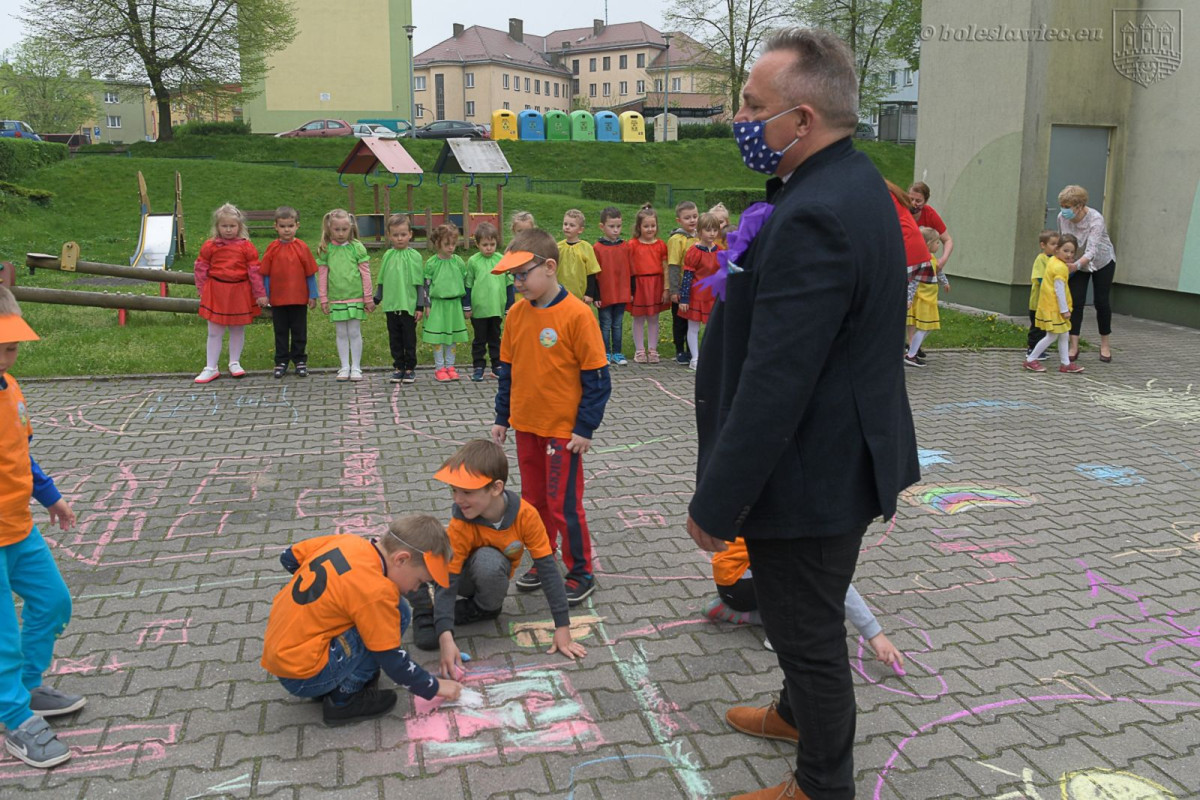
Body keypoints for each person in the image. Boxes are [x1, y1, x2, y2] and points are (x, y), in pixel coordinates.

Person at [687, 28, 919, 800]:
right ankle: (794, 715)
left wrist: (718, 500)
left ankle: (822, 784)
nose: (740, 117)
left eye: (753, 106)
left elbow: (778, 379)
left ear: (803, 120)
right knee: (804, 615)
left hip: (810, 474)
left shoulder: (819, 210)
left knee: (808, 633)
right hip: (831, 458)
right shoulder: (842, 183)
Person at [490, 228, 612, 606]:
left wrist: (584, 428)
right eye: (513, 276)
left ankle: (581, 572)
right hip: (527, 427)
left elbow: (597, 379)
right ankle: (544, 561)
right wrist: (502, 417)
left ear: (549, 266)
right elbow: (508, 370)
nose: (517, 282)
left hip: (563, 433)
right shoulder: (515, 314)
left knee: (563, 505)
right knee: (533, 502)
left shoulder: (578, 314)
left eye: (523, 274)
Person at [260, 515, 463, 727]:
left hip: (283, 655)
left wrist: (328, 596)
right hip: (304, 675)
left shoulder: (350, 542)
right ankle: (343, 700)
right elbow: (391, 659)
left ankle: (336, 675)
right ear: (401, 559)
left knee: (391, 611)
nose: (415, 589)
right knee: (395, 617)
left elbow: (289, 557)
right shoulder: (377, 591)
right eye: (420, 581)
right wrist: (434, 686)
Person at [0, 287, 83, 769]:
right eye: (3, 348)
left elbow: (19, 454)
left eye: (12, 348)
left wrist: (50, 497)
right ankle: (13, 717)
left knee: (53, 602)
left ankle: (25, 688)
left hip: (18, 529)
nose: (10, 357)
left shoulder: (10, 387)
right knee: (3, 635)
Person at [427, 440, 589, 674]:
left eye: (467, 492)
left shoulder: (526, 516)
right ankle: (427, 605)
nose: (457, 499)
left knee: (488, 561)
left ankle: (483, 608)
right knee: (430, 551)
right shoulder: (461, 522)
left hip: (489, 577)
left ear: (495, 488)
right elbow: (448, 577)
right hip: (461, 576)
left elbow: (547, 570)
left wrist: (562, 627)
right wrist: (446, 637)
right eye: (454, 490)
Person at [704, 538, 904, 671]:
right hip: (740, 582)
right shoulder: (800, 517)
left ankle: (733, 611)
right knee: (811, 595)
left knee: (805, 579)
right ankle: (779, 635)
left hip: (733, 581)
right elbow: (832, 580)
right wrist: (874, 634)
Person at [193, 203, 266, 384]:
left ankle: (234, 362)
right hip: (216, 291)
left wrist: (260, 294)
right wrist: (202, 289)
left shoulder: (246, 247)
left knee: (237, 328)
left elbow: (254, 271)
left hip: (239, 292)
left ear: (239, 227)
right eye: (224, 226)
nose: (228, 230)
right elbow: (201, 267)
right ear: (217, 226)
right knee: (214, 331)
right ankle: (211, 366)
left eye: (232, 226)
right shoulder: (210, 246)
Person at [1057, 184, 1117, 362]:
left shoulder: (1095, 219)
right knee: (1075, 301)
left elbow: (1091, 251)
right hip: (1076, 262)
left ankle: (1105, 344)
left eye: (1068, 207)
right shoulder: (1062, 217)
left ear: (1080, 206)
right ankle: (1074, 345)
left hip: (1101, 261)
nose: (1064, 210)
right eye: (1063, 206)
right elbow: (1063, 241)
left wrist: (1075, 265)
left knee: (1101, 301)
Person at [260, 206, 318, 379]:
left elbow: (310, 274)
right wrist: (266, 294)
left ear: (297, 226)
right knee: (281, 331)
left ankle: (300, 360)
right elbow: (266, 274)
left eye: (290, 226)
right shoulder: (272, 248)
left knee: (299, 331)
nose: (287, 229)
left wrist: (312, 295)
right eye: (283, 226)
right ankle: (281, 361)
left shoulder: (302, 247)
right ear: (275, 227)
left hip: (299, 299)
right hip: (278, 299)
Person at [317, 209, 374, 382]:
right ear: (329, 228)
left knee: (354, 332)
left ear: (350, 228)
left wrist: (368, 297)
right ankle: (344, 366)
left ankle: (356, 367)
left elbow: (366, 274)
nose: (341, 233)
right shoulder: (326, 249)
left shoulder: (357, 247)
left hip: (355, 297)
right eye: (337, 229)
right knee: (341, 332)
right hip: (336, 299)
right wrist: (324, 299)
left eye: (344, 229)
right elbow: (322, 276)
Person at [374, 214, 427, 384]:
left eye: (403, 234)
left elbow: (420, 284)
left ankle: (410, 368)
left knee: (409, 339)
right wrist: (376, 298)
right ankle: (398, 367)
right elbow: (382, 280)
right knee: (395, 338)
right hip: (391, 305)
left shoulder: (415, 257)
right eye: (395, 235)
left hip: (408, 306)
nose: (399, 238)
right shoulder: (388, 255)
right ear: (389, 236)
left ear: (410, 234)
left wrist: (420, 306)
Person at [1024, 234, 1084, 374]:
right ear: (1057, 250)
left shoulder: (1054, 262)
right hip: (1054, 308)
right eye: (1066, 250)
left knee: (1064, 334)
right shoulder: (1059, 268)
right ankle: (1031, 359)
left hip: (1052, 307)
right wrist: (1064, 310)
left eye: (1072, 252)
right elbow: (1059, 291)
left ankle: (1065, 363)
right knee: (1052, 336)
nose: (1069, 254)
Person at [422, 223, 471, 382]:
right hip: (438, 305)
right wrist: (427, 305)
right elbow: (426, 286)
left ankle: (450, 366)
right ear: (438, 244)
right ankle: (439, 368)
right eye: (447, 244)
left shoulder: (458, 262)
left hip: (454, 305)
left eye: (453, 244)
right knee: (438, 339)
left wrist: (465, 305)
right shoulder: (432, 263)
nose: (451, 248)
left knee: (452, 338)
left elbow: (465, 283)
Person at [464, 222, 510, 381]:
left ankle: (497, 365)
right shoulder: (473, 261)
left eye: (492, 244)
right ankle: (478, 366)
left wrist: (508, 306)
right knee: (479, 339)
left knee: (495, 338)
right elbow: (468, 285)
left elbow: (509, 283)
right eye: (485, 245)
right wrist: (467, 306)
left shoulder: (502, 259)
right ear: (477, 244)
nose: (489, 248)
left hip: (496, 307)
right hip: (479, 309)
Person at [678, 211, 722, 371]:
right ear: (699, 231)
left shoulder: (719, 250)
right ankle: (695, 358)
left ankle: (711, 356)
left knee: (713, 327)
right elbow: (688, 276)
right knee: (694, 327)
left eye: (715, 230)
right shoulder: (694, 251)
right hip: (697, 295)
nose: (712, 233)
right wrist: (684, 298)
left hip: (713, 295)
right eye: (708, 230)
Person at [627, 204, 670, 363]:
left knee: (653, 318)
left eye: (653, 225)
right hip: (639, 284)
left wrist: (666, 288)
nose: (650, 229)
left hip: (656, 284)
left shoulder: (661, 245)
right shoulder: (632, 245)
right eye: (646, 226)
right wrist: (630, 289)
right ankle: (639, 351)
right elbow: (628, 268)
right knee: (638, 318)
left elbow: (665, 268)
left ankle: (652, 349)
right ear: (639, 227)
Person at [904, 226, 950, 367]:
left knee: (928, 328)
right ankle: (911, 355)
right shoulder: (922, 261)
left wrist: (945, 282)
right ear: (928, 243)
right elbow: (913, 281)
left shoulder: (932, 259)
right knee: (925, 328)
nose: (938, 245)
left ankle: (912, 351)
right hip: (923, 301)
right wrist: (909, 298)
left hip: (929, 300)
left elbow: (938, 271)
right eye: (937, 243)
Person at [593, 206, 632, 365]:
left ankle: (617, 352)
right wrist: (596, 295)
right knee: (605, 324)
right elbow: (593, 274)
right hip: (605, 294)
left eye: (618, 226)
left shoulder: (625, 246)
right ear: (602, 226)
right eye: (612, 226)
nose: (616, 230)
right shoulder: (597, 248)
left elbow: (631, 270)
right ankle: (605, 353)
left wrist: (631, 291)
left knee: (617, 325)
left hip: (621, 293)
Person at [667, 201, 700, 364]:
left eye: (695, 216)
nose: (692, 220)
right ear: (679, 220)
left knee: (692, 320)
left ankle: (691, 349)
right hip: (680, 287)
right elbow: (673, 265)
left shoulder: (700, 236)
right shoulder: (676, 239)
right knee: (679, 321)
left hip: (695, 288)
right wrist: (674, 290)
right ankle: (680, 350)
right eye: (687, 218)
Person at [1027, 230, 1059, 359]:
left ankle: (1039, 349)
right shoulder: (1041, 259)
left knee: (1044, 327)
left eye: (1058, 244)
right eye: (1053, 244)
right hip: (1038, 303)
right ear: (1043, 245)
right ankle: (1032, 348)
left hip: (1048, 303)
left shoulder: (1055, 260)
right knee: (1037, 327)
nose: (1056, 247)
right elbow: (1040, 278)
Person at [907, 182, 954, 272]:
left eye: (918, 201)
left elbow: (948, 240)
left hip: (919, 265)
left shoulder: (930, 214)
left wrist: (943, 260)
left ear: (925, 201)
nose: (913, 203)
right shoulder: (900, 211)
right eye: (911, 199)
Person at [558, 209, 600, 303]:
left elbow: (591, 273)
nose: (567, 227)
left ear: (580, 230)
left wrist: (589, 294)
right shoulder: (558, 247)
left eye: (572, 225)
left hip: (579, 296)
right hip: (559, 293)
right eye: (565, 224)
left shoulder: (586, 247)